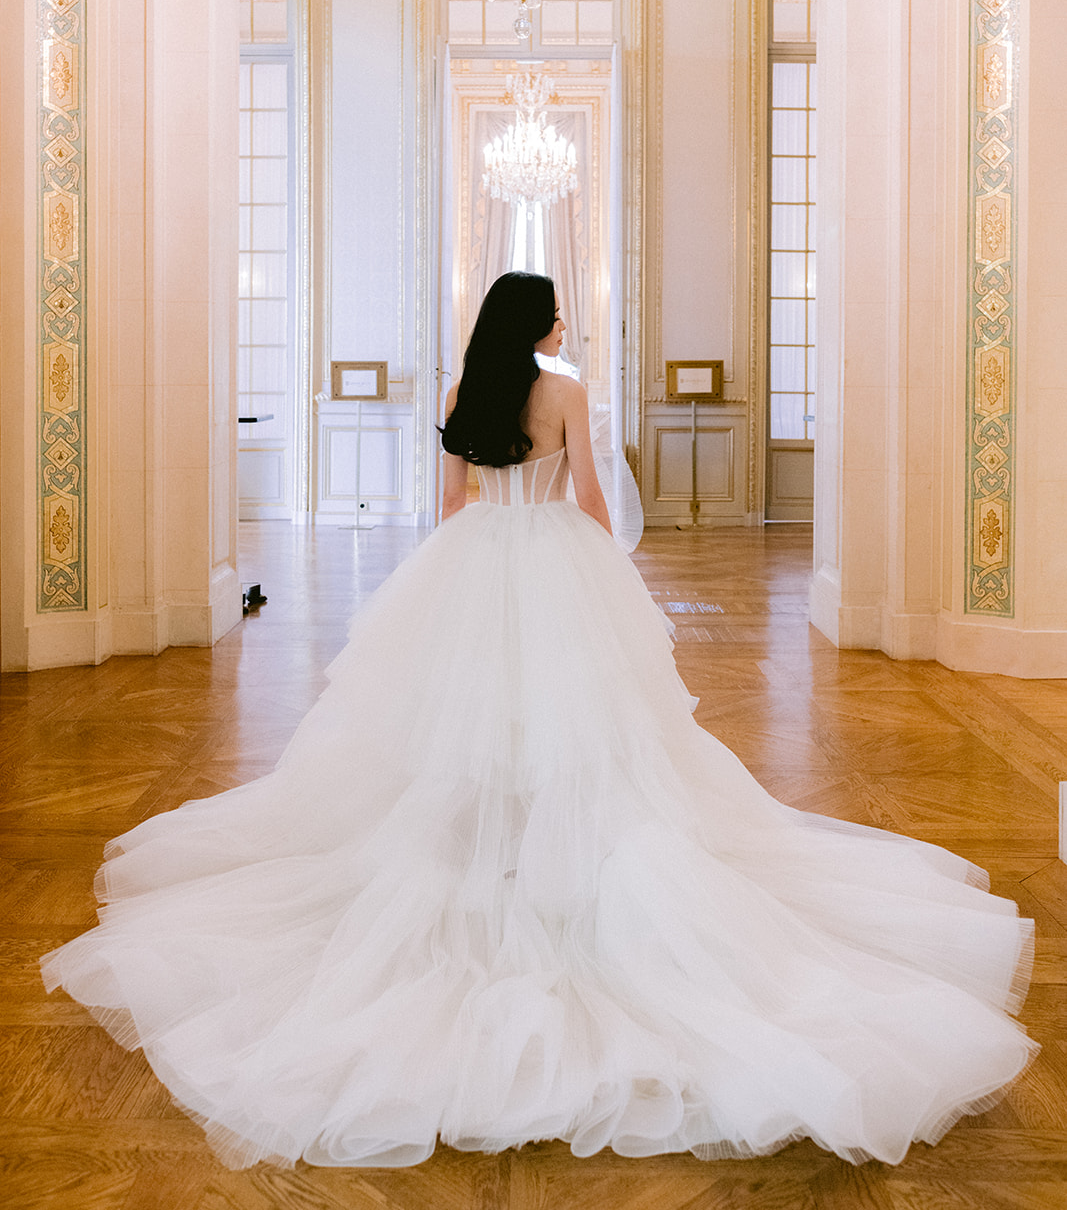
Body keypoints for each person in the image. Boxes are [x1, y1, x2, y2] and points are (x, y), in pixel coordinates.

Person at [42, 271, 1034, 1171]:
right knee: (581, 729)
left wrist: (459, 588)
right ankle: (557, 855)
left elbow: (445, 508)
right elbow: (592, 497)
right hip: (554, 560)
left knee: (466, 731)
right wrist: (614, 580)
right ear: (537, 321)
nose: (563, 315)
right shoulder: (561, 388)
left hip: (476, 558)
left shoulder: (456, 393)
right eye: (554, 305)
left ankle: (488, 846)